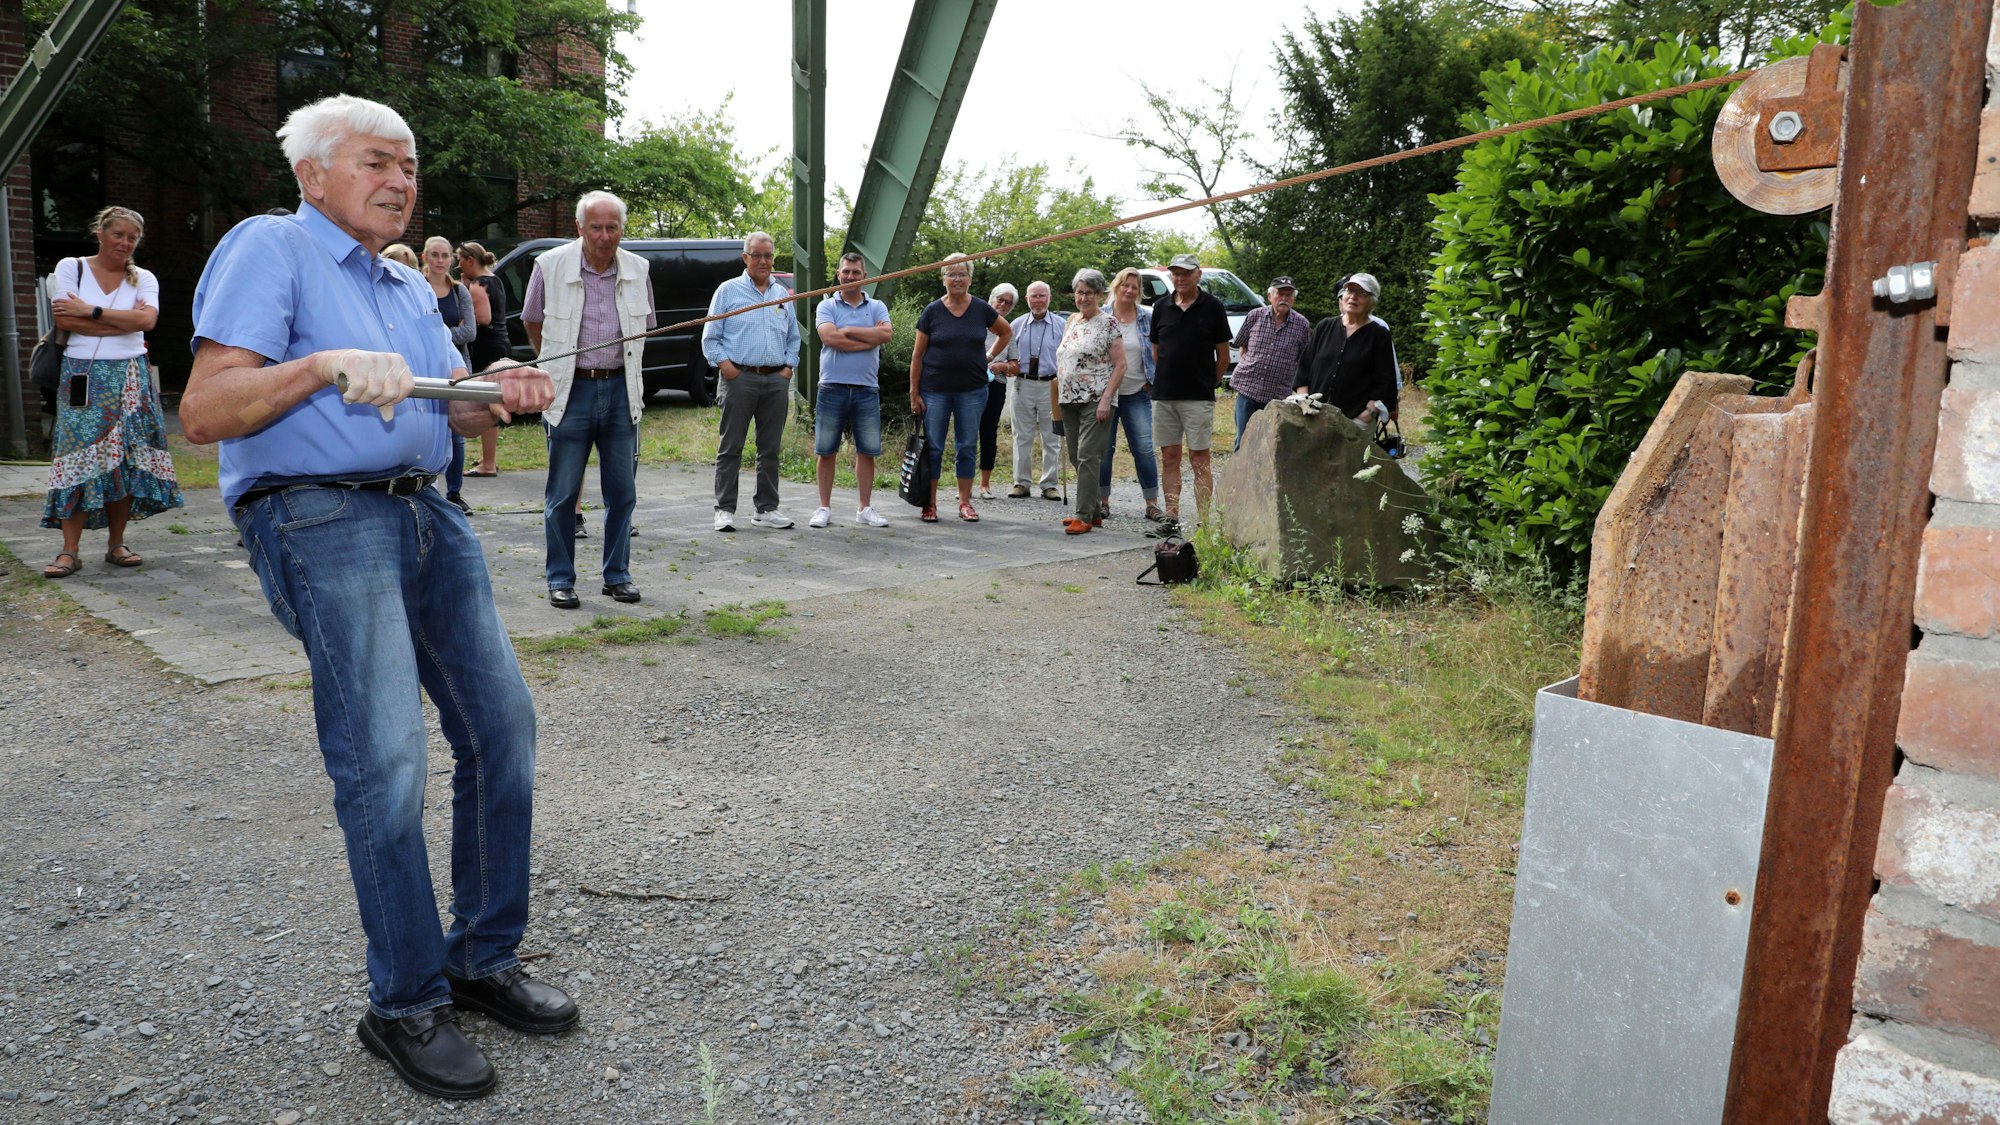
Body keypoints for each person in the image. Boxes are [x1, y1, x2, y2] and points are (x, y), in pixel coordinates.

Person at [179, 93, 567, 1101]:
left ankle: (480, 960)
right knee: (386, 758)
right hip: (319, 518)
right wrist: (317, 368)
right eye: (375, 162)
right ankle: (402, 1004)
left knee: (503, 731)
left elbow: (452, 405)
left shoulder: (404, 286)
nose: (400, 181)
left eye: (408, 166)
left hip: (426, 514)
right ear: (312, 173)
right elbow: (204, 410)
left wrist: (505, 388)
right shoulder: (271, 248)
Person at [521, 190, 656, 608]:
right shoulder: (549, 265)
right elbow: (533, 321)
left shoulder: (639, 268)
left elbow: (646, 326)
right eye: (595, 227)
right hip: (571, 391)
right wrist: (556, 370)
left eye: (612, 227)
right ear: (579, 227)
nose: (603, 235)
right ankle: (560, 578)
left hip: (620, 390)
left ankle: (617, 576)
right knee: (562, 494)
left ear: (621, 229)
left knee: (623, 493)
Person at [40, 205, 183, 578]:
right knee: (75, 457)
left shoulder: (143, 278)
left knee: (125, 458)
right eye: (118, 234)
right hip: (82, 373)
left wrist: (92, 312)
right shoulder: (72, 267)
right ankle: (69, 551)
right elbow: (65, 319)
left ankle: (116, 543)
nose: (124, 242)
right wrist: (120, 322)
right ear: (100, 233)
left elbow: (147, 320)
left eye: (132, 237)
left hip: (130, 376)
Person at [702, 231, 800, 532]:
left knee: (769, 448)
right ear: (745, 257)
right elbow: (710, 337)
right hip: (739, 379)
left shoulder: (782, 294)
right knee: (731, 446)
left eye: (768, 255)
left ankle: (766, 508)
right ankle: (725, 509)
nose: (763, 261)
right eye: (756, 255)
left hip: (775, 380)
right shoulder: (727, 291)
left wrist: (788, 369)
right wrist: (728, 368)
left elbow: (794, 338)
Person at [909, 253, 1011, 523]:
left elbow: (1006, 331)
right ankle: (929, 504)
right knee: (934, 447)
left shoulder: (981, 309)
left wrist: (989, 356)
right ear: (943, 279)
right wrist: (914, 392)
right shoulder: (932, 311)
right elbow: (917, 356)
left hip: (973, 390)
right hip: (935, 391)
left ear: (970, 278)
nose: (957, 279)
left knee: (967, 445)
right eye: (951, 274)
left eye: (962, 273)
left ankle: (965, 503)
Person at [1149, 253, 1232, 535]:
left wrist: (1210, 382)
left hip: (1198, 396)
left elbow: (1223, 355)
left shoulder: (1213, 307)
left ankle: (1205, 524)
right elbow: (1157, 350)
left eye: (1186, 273)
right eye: (1176, 273)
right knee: (1169, 456)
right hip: (1165, 395)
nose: (1180, 278)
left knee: (1200, 459)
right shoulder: (1161, 307)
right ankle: (1171, 518)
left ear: (1198, 275)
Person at [810, 251, 894, 528]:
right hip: (831, 386)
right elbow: (829, 338)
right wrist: (866, 338)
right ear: (838, 274)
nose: (850, 277)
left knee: (867, 450)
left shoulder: (878, 306)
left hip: (866, 388)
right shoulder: (826, 306)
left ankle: (864, 508)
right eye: (845, 271)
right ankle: (823, 507)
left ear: (864, 277)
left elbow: (885, 335)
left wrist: (847, 332)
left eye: (855, 272)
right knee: (826, 450)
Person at [1053, 268, 1124, 535]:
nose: (1083, 297)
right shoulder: (1073, 321)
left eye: (1089, 292)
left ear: (1100, 294)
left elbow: (1120, 365)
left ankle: (1082, 516)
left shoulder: (1109, 323)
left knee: (1088, 456)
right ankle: (1094, 511)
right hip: (1068, 398)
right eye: (1079, 292)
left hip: (1097, 398)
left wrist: (1106, 399)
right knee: (1075, 455)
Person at [1098, 267, 1164, 523]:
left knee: (1144, 449)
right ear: (1116, 287)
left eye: (1134, 287)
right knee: (1104, 450)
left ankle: (1152, 503)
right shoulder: (1102, 317)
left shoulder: (1146, 317)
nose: (1129, 290)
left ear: (1139, 293)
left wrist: (1152, 382)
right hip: (1108, 394)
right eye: (1125, 285)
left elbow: (1158, 350)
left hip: (1138, 392)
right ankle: (1102, 502)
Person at [422, 236, 478, 516]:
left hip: (457, 369)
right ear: (425, 257)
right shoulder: (417, 287)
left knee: (456, 434)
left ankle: (454, 492)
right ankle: (424, 490)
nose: (440, 260)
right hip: (424, 369)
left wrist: (439, 335)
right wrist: (442, 335)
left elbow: (471, 333)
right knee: (425, 428)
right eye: (435, 255)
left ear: (452, 260)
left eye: (445, 255)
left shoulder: (460, 292)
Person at [1296, 272, 1398, 423]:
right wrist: (1304, 401)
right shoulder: (1325, 326)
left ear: (1372, 301)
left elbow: (1386, 382)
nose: (1353, 297)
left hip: (1354, 422)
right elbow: (1304, 368)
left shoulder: (1379, 335)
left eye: (1361, 293)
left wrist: (1368, 413)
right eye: (1349, 291)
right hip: (1313, 416)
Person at [998, 280, 1064, 499]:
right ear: (1027, 299)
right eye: (1034, 296)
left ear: (1049, 298)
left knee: (1052, 437)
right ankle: (1021, 482)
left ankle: (1050, 484)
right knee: (1021, 436)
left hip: (1050, 385)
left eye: (1042, 296)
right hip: (1023, 384)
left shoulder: (1060, 325)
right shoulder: (1015, 325)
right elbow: (1006, 352)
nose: (1038, 300)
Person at [1229, 276, 1312, 450]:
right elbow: (1243, 346)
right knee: (1244, 440)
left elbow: (1304, 360)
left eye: (1289, 295)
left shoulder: (1302, 325)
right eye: (1280, 294)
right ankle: (1241, 477)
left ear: (1294, 299)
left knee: (1273, 443)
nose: (1284, 298)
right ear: (1270, 296)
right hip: (1248, 389)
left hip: (1279, 394)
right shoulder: (1255, 316)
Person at [457, 240, 508, 476]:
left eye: (460, 260)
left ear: (469, 260)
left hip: (486, 346)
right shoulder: (494, 279)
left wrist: (462, 320)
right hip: (500, 342)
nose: (458, 265)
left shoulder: (479, 284)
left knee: (487, 403)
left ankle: (488, 463)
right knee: (492, 400)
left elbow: (484, 318)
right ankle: (488, 457)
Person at [977, 282, 1017, 499]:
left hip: (996, 386)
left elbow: (1016, 366)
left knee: (988, 432)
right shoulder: (975, 324)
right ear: (991, 299)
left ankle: (984, 484)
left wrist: (1002, 367)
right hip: (971, 383)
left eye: (1008, 302)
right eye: (1000, 299)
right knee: (965, 432)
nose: (1003, 304)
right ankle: (961, 484)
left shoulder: (1009, 331)